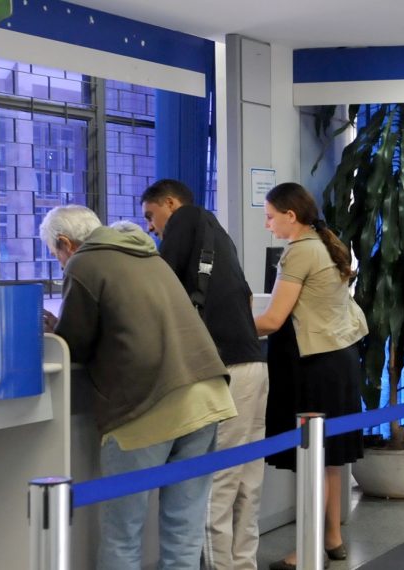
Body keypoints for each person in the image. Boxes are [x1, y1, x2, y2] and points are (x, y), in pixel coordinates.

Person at [41, 206, 237, 569]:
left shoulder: (84, 263)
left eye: (56, 255)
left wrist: (55, 333)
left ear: (65, 243)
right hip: (205, 395)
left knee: (123, 533)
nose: (60, 263)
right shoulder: (149, 256)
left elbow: (75, 346)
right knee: (184, 528)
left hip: (147, 405)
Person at [140, 179, 270, 570]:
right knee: (247, 479)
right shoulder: (218, 234)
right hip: (254, 364)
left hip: (225, 368)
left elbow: (159, 284)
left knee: (217, 482)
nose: (151, 226)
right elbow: (246, 297)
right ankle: (242, 564)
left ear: (170, 203)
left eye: (151, 215)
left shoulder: (186, 218)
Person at [254, 182, 367, 570]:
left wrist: (224, 330)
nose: (267, 224)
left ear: (290, 216)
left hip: (315, 366)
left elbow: (272, 319)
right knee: (329, 458)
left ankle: (305, 550)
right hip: (339, 361)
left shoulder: (300, 251)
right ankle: (332, 538)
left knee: (313, 460)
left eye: (270, 216)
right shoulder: (325, 244)